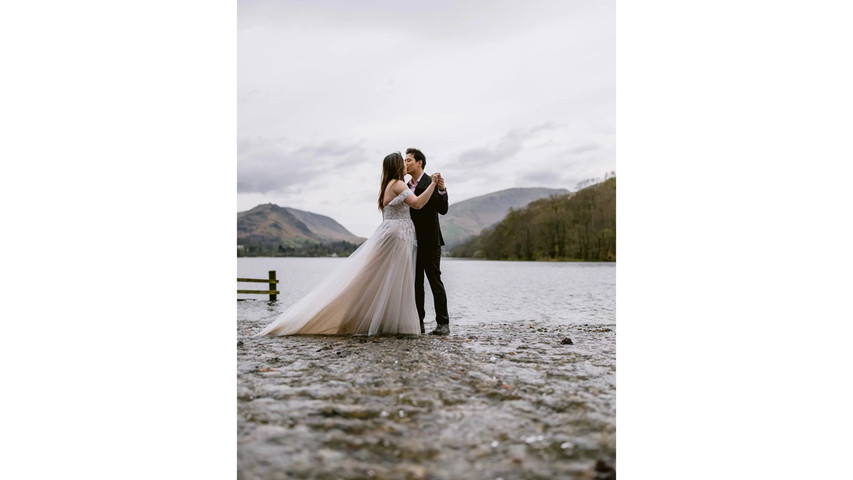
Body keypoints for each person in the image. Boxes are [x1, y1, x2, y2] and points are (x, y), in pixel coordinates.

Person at [256, 152, 440, 336]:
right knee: (393, 279)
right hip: (398, 236)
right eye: (403, 162)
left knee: (381, 278)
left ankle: (377, 320)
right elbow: (416, 204)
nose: (405, 164)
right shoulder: (398, 184)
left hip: (395, 234)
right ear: (396, 166)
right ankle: (386, 322)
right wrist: (432, 184)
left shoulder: (387, 185)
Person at [404, 148, 451, 335]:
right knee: (416, 284)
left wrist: (441, 189)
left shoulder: (430, 181)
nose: (405, 164)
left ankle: (443, 323)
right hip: (412, 243)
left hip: (431, 241)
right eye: (404, 161)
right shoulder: (405, 186)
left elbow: (443, 209)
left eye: (408, 160)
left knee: (435, 281)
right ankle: (419, 323)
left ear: (419, 163)